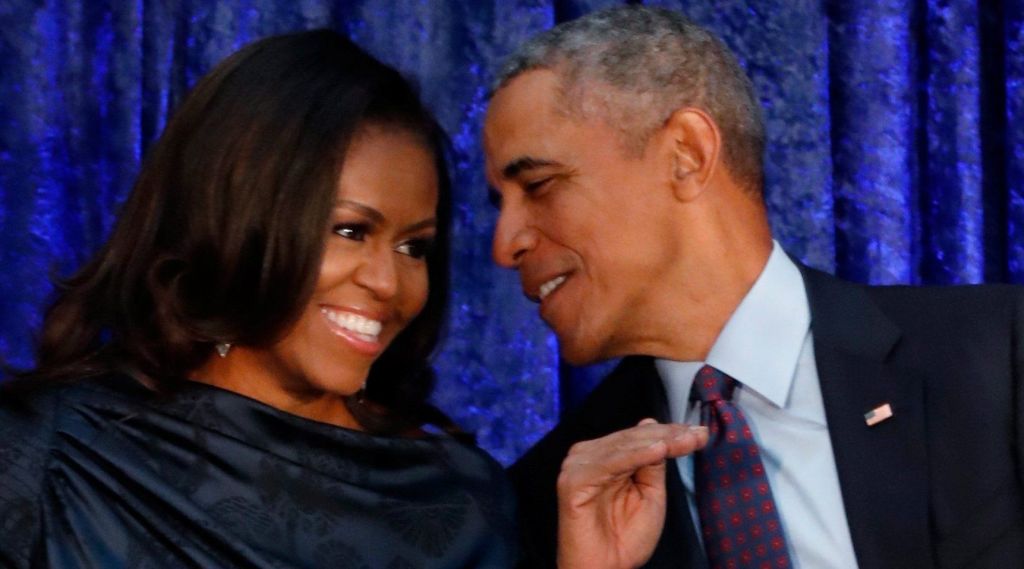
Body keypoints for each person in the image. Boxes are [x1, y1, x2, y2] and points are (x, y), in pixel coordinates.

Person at [484, 6, 1024, 569]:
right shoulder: (550, 503)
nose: (505, 245)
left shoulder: (998, 356)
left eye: (540, 185)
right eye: (500, 206)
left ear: (686, 155)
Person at [0, 30, 519, 568]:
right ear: (235, 221)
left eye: (415, 246)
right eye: (350, 230)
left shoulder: (459, 502)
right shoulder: (53, 454)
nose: (390, 283)